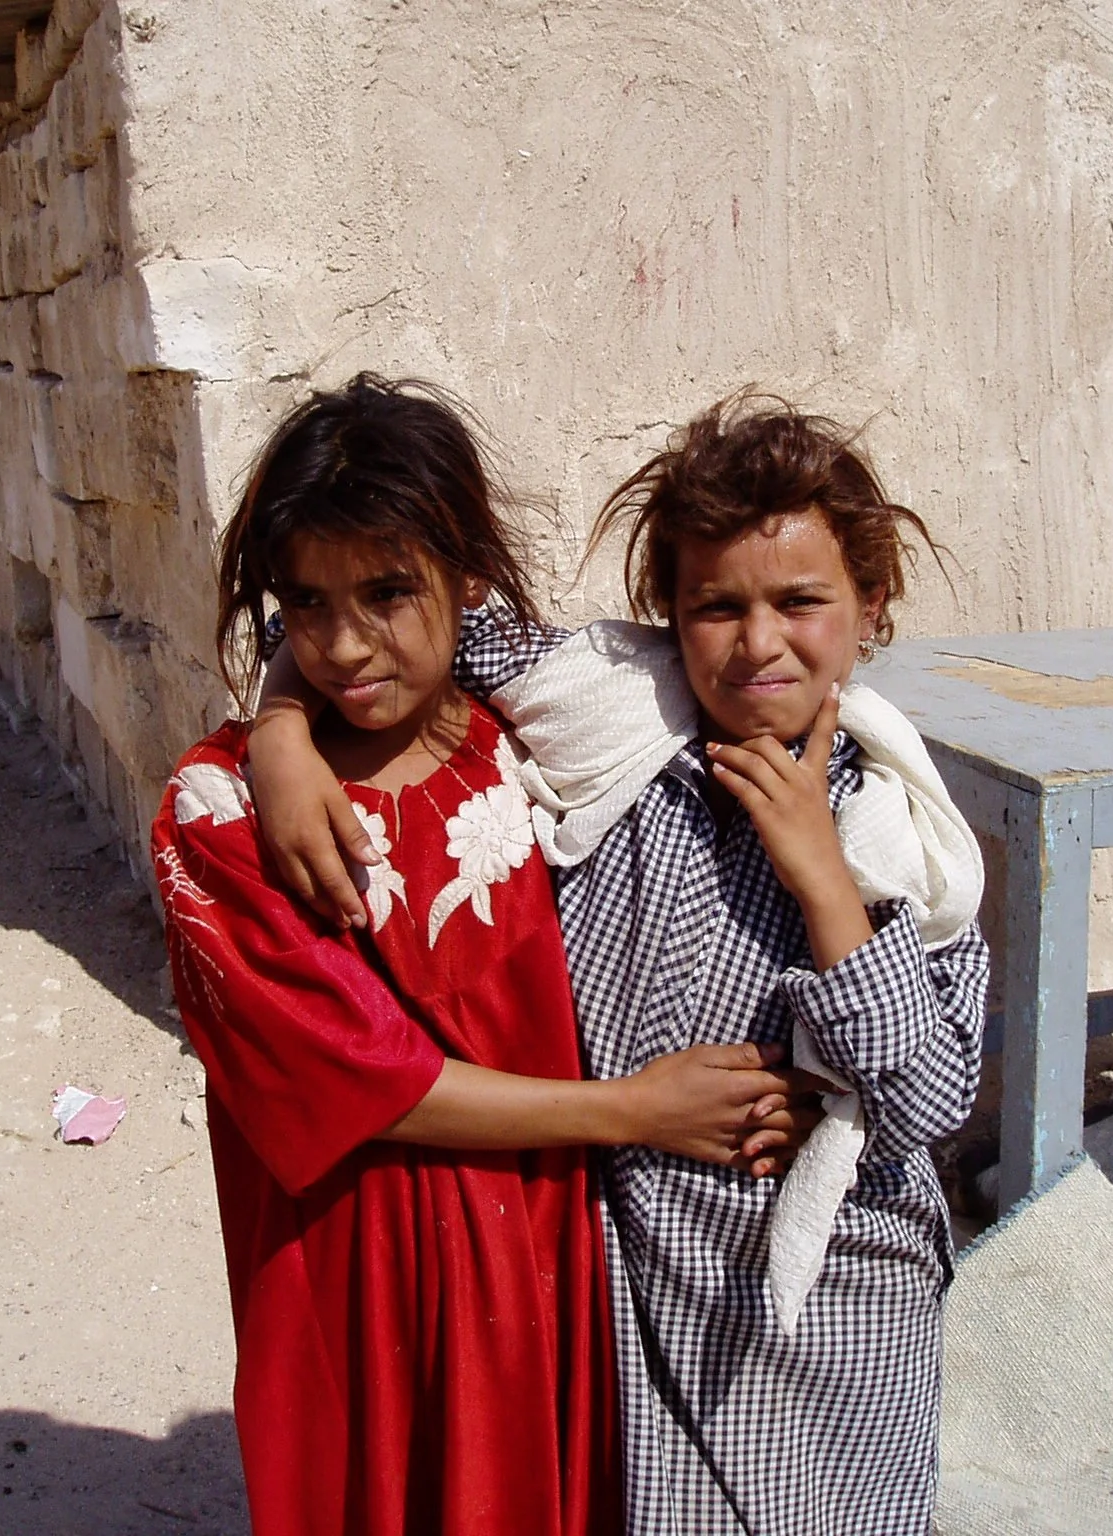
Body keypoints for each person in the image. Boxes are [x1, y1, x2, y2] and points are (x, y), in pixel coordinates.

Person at [249, 391, 991, 1536]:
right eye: (715, 607)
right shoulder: (608, 717)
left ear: (869, 605)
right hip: (634, 1287)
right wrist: (280, 735)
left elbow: (922, 1103)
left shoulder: (899, 837)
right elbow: (367, 617)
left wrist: (820, 874)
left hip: (833, 1309)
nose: (757, 645)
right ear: (665, 612)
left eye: (800, 603)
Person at [151, 374, 811, 1536]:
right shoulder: (217, 820)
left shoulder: (529, 738)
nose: (345, 646)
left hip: (543, 1244)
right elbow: (365, 1082)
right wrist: (633, 1112)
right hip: (354, 1278)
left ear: (467, 579)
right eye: (304, 605)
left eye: (388, 592)